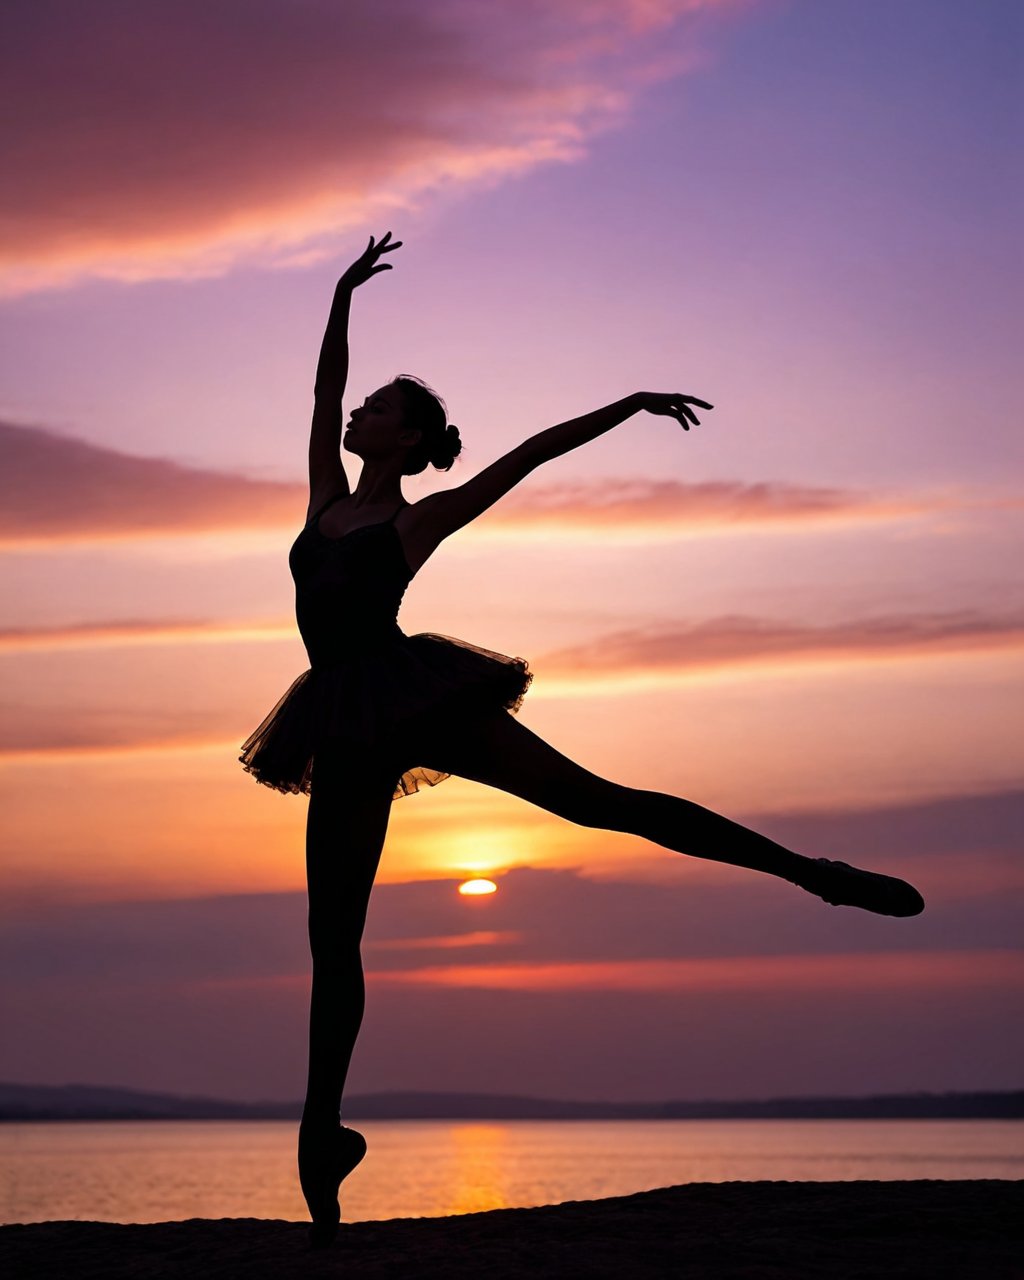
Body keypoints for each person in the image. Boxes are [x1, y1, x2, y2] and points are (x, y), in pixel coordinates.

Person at [239, 232, 924, 1246]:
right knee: (331, 941)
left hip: (418, 697)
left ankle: (811, 871)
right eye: (364, 402)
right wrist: (342, 298)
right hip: (337, 718)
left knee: (604, 804)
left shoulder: (412, 523)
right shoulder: (324, 501)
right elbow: (316, 392)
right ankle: (320, 1133)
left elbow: (528, 456)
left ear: (406, 436)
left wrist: (630, 406)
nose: (355, 412)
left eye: (376, 407)